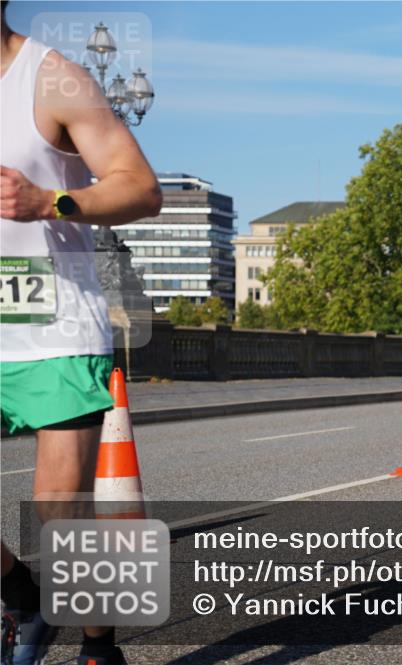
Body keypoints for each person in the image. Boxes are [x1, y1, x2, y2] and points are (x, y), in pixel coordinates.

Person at [1, 5, 163, 664]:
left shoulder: (53, 78)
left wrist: (51, 202)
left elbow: (140, 188)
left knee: (56, 510)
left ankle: (99, 644)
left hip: (54, 327)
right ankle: (22, 593)